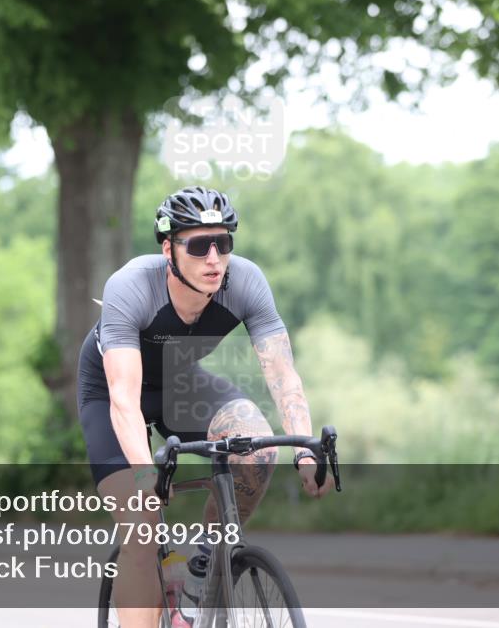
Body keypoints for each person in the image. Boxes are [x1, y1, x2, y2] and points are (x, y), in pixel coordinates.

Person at [77, 186, 330, 628]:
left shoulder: (246, 281)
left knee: (256, 445)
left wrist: (306, 451)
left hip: (179, 383)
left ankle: (205, 564)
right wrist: (146, 476)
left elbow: (283, 375)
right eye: (198, 246)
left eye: (223, 243)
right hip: (111, 392)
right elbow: (123, 398)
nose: (214, 258)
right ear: (168, 249)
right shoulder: (130, 286)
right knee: (142, 526)